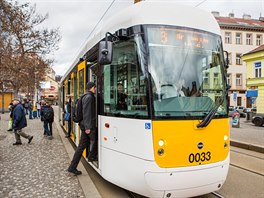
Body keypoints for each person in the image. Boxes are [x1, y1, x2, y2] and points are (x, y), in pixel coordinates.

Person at [68, 82, 97, 175]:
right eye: (95, 87)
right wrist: (88, 127)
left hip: (84, 125)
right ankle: (91, 157)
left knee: (81, 146)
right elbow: (87, 113)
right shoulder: (89, 97)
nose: (96, 89)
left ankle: (72, 167)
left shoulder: (84, 96)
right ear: (92, 88)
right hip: (87, 126)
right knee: (94, 140)